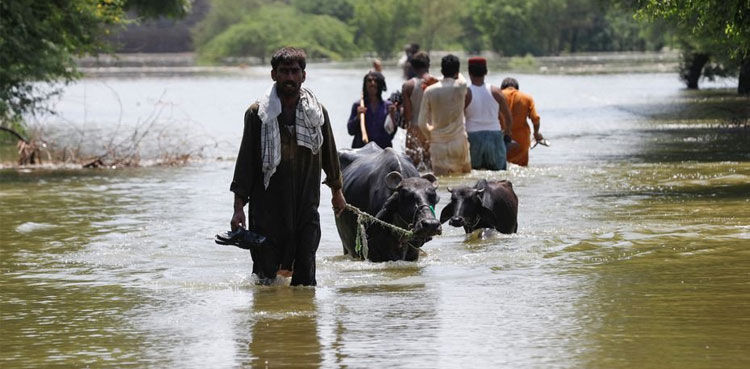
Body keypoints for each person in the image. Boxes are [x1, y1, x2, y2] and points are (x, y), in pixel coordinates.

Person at [230, 47, 347, 286]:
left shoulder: (317, 114)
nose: (290, 78)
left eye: (295, 72)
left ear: (304, 76)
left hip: (306, 207)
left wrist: (337, 193)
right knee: (265, 280)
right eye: (284, 72)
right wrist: (238, 207)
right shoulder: (258, 115)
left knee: (306, 281)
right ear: (274, 75)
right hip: (267, 210)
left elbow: (329, 155)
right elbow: (245, 164)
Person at [417, 54, 472, 176]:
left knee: (441, 182)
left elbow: (421, 123)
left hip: (438, 144)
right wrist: (439, 79)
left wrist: (430, 137)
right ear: (457, 71)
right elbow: (461, 78)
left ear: (442, 70)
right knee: (465, 179)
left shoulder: (430, 91)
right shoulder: (460, 86)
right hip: (459, 141)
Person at [464, 57, 514, 170]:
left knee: (475, 179)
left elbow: (459, 119)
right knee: (498, 177)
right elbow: (508, 118)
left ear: (469, 72)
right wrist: (506, 134)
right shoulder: (496, 92)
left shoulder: (466, 93)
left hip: (473, 138)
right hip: (495, 136)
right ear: (486, 72)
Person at [347, 71, 398, 149]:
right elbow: (350, 131)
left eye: (375, 81)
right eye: (369, 81)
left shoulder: (388, 106)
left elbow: (391, 134)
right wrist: (357, 117)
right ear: (365, 84)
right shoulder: (358, 105)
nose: (372, 83)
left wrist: (392, 117)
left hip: (382, 150)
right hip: (362, 149)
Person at [500, 77, 543, 167]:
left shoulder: (498, 95)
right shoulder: (527, 98)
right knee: (522, 168)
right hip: (521, 141)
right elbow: (535, 118)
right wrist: (536, 133)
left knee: (500, 169)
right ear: (517, 88)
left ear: (502, 87)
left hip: (501, 139)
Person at [401, 51, 433, 169]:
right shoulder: (436, 83)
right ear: (428, 65)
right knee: (431, 166)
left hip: (415, 128)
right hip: (432, 128)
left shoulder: (408, 86)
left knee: (413, 167)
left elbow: (408, 116)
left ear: (413, 67)